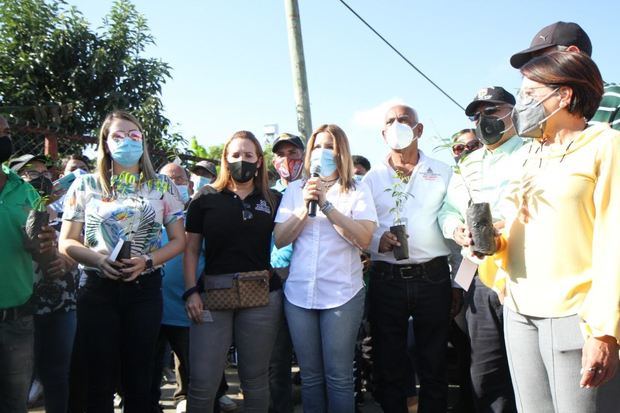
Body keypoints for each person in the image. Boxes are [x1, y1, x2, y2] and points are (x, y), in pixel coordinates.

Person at [480, 51, 619, 412]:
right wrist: (490, 241)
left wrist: (604, 331)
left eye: (529, 94)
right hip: (519, 310)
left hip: (576, 316)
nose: (520, 105)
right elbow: (518, 224)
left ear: (565, 95)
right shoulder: (529, 155)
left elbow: (614, 240)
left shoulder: (606, 145)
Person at [59, 110, 186, 412]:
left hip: (144, 290)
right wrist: (96, 259)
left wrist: (148, 261)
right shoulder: (85, 185)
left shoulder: (163, 186)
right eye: (118, 136)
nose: (127, 141)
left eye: (134, 135)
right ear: (104, 143)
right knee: (96, 380)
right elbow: (66, 242)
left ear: (143, 141)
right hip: (97, 289)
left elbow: (180, 240)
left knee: (140, 380)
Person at [274, 124, 378, 413]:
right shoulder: (296, 189)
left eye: (329, 146)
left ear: (341, 151)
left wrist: (328, 206)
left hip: (342, 294)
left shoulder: (358, 189)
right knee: (310, 377)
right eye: (317, 146)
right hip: (299, 294)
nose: (323, 152)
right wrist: (304, 205)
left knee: (338, 376)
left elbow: (364, 239)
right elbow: (281, 238)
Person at [363, 104, 455, 413]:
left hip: (434, 278)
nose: (397, 125)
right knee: (389, 363)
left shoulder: (443, 171)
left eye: (404, 120)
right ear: (383, 133)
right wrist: (379, 239)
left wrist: (459, 283)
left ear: (419, 130)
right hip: (386, 278)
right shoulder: (371, 178)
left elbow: (452, 218)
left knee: (434, 361)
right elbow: (363, 223)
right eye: (391, 121)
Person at [184, 130, 282, 412]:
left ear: (259, 161)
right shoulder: (205, 199)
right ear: (225, 159)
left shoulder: (273, 199)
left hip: (262, 296)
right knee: (203, 382)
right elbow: (191, 250)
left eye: (249, 155)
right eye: (236, 155)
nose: (243, 160)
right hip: (212, 294)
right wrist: (191, 291)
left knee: (255, 381)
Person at [439, 86, 522, 412]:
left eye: (492, 111)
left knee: (528, 366)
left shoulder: (533, 152)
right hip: (480, 277)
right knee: (486, 370)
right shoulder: (468, 164)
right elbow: (449, 210)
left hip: (523, 273)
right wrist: (455, 229)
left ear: (513, 112)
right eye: (477, 116)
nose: (483, 121)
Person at [0, 116, 66, 413]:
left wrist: (44, 247)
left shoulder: (24, 191)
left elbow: (43, 255)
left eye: (6, 132)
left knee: (15, 403)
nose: (4, 138)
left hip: (17, 319)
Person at [10, 154, 81, 413]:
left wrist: (64, 259)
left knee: (57, 374)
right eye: (32, 173)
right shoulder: (12, 209)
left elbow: (80, 246)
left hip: (61, 304)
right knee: (19, 379)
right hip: (22, 305)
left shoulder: (67, 209)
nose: (41, 179)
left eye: (46, 173)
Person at [510, 21, 619, 131]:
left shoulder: (614, 100)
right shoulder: (542, 110)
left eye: (542, 59)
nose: (535, 68)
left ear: (573, 54)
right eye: (531, 62)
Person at [150, 162, 193, 413]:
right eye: (168, 179)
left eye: (179, 179)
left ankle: (187, 397)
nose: (174, 185)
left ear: (189, 184)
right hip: (152, 303)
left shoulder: (197, 216)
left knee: (189, 359)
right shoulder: (149, 213)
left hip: (185, 303)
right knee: (150, 361)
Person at [269, 132, 305, 413]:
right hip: (275, 284)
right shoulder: (266, 195)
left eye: (293, 153)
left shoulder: (317, 190)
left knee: (314, 359)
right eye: (281, 154)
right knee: (276, 358)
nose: (287, 160)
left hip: (309, 282)